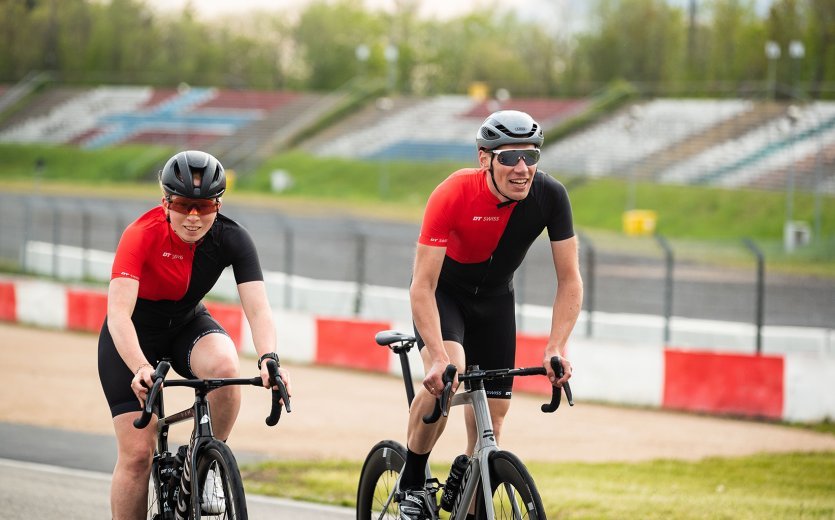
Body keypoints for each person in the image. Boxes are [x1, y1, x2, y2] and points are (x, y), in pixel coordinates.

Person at [399, 110, 583, 519]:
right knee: (450, 378)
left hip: (496, 301)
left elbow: (570, 280)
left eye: (531, 157)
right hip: (445, 296)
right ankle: (411, 480)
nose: (522, 169)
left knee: (493, 423)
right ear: (484, 158)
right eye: (510, 157)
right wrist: (437, 356)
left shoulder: (551, 197)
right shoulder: (453, 193)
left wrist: (556, 346)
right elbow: (422, 286)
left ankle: (468, 477)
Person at [97, 150, 291, 519]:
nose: (193, 217)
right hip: (132, 338)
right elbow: (118, 314)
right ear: (165, 201)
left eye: (204, 207)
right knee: (138, 455)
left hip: (186, 324)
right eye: (184, 204)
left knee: (225, 368)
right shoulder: (140, 234)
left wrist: (269, 357)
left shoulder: (233, 237)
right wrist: (140, 366)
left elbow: (258, 308)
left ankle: (204, 465)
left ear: (217, 205)